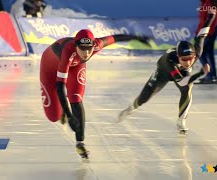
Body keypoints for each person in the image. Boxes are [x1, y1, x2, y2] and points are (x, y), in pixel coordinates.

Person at [40, 29, 150, 159]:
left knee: (76, 98)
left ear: (94, 45)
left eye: (89, 49)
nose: (86, 53)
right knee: (53, 116)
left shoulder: (98, 44)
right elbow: (60, 87)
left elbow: (116, 37)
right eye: (82, 49)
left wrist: (137, 37)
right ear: (76, 46)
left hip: (75, 67)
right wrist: (69, 115)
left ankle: (80, 143)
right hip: (50, 68)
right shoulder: (68, 52)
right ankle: (62, 112)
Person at [117, 9, 216, 135]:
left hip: (181, 73)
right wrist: (200, 73)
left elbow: (202, 33)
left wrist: (211, 16)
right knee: (144, 98)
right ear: (178, 56)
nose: (188, 62)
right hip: (163, 72)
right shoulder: (170, 61)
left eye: (190, 59)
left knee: (188, 90)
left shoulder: (197, 51)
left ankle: (181, 121)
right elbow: (181, 82)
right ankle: (131, 108)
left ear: (194, 55)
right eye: (184, 59)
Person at [196, 0, 217, 84]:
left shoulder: (209, 4)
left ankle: (210, 75)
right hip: (210, 32)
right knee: (209, 55)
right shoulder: (208, 3)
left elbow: (211, 20)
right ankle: (212, 75)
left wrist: (204, 33)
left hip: (208, 33)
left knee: (201, 53)